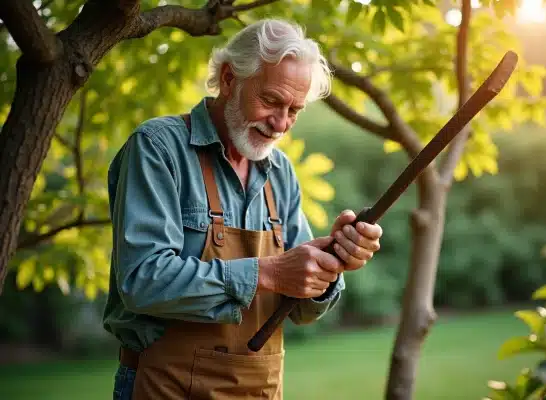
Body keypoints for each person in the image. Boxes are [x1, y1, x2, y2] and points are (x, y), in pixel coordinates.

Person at [103, 18, 383, 400]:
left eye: (294, 110)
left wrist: (329, 264)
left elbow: (299, 310)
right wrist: (266, 273)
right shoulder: (158, 148)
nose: (281, 123)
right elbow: (142, 281)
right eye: (271, 101)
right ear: (229, 78)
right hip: (163, 386)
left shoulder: (280, 172)